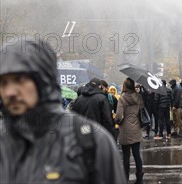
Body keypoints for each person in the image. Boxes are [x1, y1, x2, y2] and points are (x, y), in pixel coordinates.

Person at [0, 38, 127, 183]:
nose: (9, 92)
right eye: (3, 82)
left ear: (43, 81)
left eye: (19, 79)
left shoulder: (93, 142)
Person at [116, 77, 144, 184]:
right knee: (137, 155)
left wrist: (117, 121)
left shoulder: (122, 98)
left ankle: (125, 179)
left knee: (126, 157)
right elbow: (142, 108)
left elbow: (118, 115)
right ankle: (139, 178)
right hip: (136, 128)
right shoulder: (139, 97)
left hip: (125, 130)